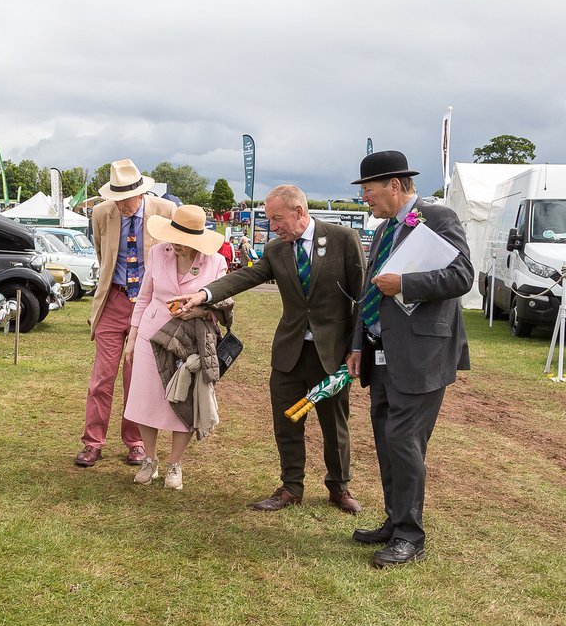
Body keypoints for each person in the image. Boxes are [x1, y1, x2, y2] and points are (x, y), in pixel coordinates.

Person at [171, 185, 366, 513]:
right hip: (289, 353)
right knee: (286, 421)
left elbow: (362, 298)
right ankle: (291, 487)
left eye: (277, 219)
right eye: (270, 219)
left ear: (299, 212)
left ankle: (339, 487)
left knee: (334, 423)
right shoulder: (276, 250)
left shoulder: (343, 240)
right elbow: (245, 277)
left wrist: (356, 348)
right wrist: (203, 294)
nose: (272, 226)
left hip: (332, 354)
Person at [347, 150, 472, 568]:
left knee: (404, 441)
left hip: (422, 354)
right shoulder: (384, 229)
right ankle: (394, 520)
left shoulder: (437, 218)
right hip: (381, 353)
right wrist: (358, 345)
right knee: (386, 438)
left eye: (369, 190)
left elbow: (462, 276)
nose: (366, 198)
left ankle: (410, 536)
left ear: (395, 186)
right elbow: (368, 290)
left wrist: (405, 283)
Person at [74, 159, 175, 468]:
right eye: (115, 198)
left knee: (136, 379)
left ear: (140, 193)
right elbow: (103, 256)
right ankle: (93, 443)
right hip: (113, 302)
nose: (121, 205)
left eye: (126, 199)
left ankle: (135, 442)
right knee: (101, 379)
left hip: (146, 307)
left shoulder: (165, 212)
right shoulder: (102, 213)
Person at [124, 205, 228, 488]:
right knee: (145, 400)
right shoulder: (158, 252)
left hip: (189, 340)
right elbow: (144, 297)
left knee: (183, 400)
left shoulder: (217, 263)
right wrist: (132, 337)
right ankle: (150, 460)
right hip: (151, 334)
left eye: (183, 242)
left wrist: (200, 312)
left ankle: (175, 465)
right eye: (173, 239)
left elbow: (223, 307)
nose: (175, 246)